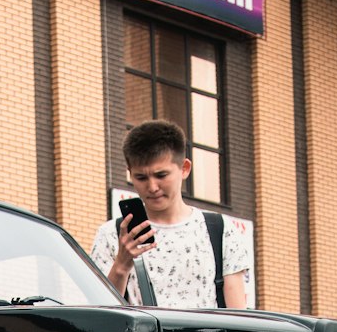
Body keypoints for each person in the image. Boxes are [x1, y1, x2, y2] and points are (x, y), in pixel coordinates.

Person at [91, 119, 249, 310]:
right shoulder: (112, 235)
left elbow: (238, 316)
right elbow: (101, 316)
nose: (152, 187)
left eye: (161, 175)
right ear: (130, 174)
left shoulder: (220, 231)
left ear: (184, 168)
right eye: (141, 177)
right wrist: (121, 266)